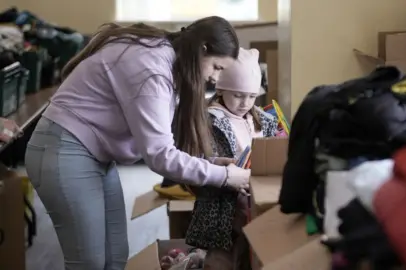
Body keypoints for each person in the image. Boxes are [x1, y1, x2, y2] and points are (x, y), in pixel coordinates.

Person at [24, 16, 251, 270]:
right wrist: (224, 176)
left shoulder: (169, 60)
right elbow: (160, 156)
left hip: (93, 154)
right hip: (63, 148)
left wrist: (210, 164)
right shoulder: (153, 69)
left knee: (116, 255)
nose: (214, 78)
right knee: (89, 262)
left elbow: (163, 142)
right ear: (203, 49)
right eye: (216, 68)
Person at [185, 48, 278, 270]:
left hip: (254, 201)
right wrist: (219, 165)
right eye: (238, 95)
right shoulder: (209, 120)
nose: (246, 102)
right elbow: (194, 161)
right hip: (221, 208)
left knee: (250, 256)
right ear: (220, 90)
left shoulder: (262, 120)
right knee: (220, 260)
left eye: (252, 96)